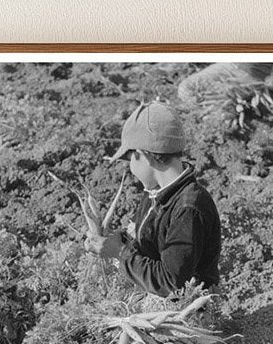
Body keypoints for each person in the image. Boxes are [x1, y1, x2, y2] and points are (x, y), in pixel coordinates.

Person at [87, 101, 222, 299]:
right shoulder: (156, 193)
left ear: (143, 156)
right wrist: (114, 241)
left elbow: (171, 282)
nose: (131, 168)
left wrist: (120, 253)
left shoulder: (189, 208)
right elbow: (145, 237)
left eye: (131, 158)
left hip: (186, 312)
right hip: (158, 300)